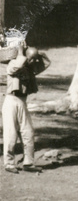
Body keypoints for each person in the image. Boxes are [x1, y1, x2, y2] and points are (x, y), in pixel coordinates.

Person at [2, 41, 50, 174]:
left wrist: (35, 53)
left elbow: (45, 63)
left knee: (28, 133)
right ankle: (9, 163)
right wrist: (21, 52)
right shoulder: (13, 64)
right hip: (11, 102)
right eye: (31, 58)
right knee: (11, 134)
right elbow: (16, 67)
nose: (34, 61)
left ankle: (28, 163)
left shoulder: (30, 70)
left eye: (34, 59)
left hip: (22, 103)